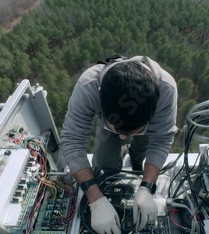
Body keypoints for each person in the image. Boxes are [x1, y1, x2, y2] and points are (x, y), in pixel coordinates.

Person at [60, 55, 177, 234]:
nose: (123, 138)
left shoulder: (166, 90)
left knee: (142, 147)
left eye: (131, 132)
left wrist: (147, 187)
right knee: (105, 158)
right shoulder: (88, 87)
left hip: (143, 126)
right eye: (119, 131)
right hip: (116, 123)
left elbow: (161, 140)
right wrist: (95, 198)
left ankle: (137, 161)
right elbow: (72, 141)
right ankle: (109, 178)